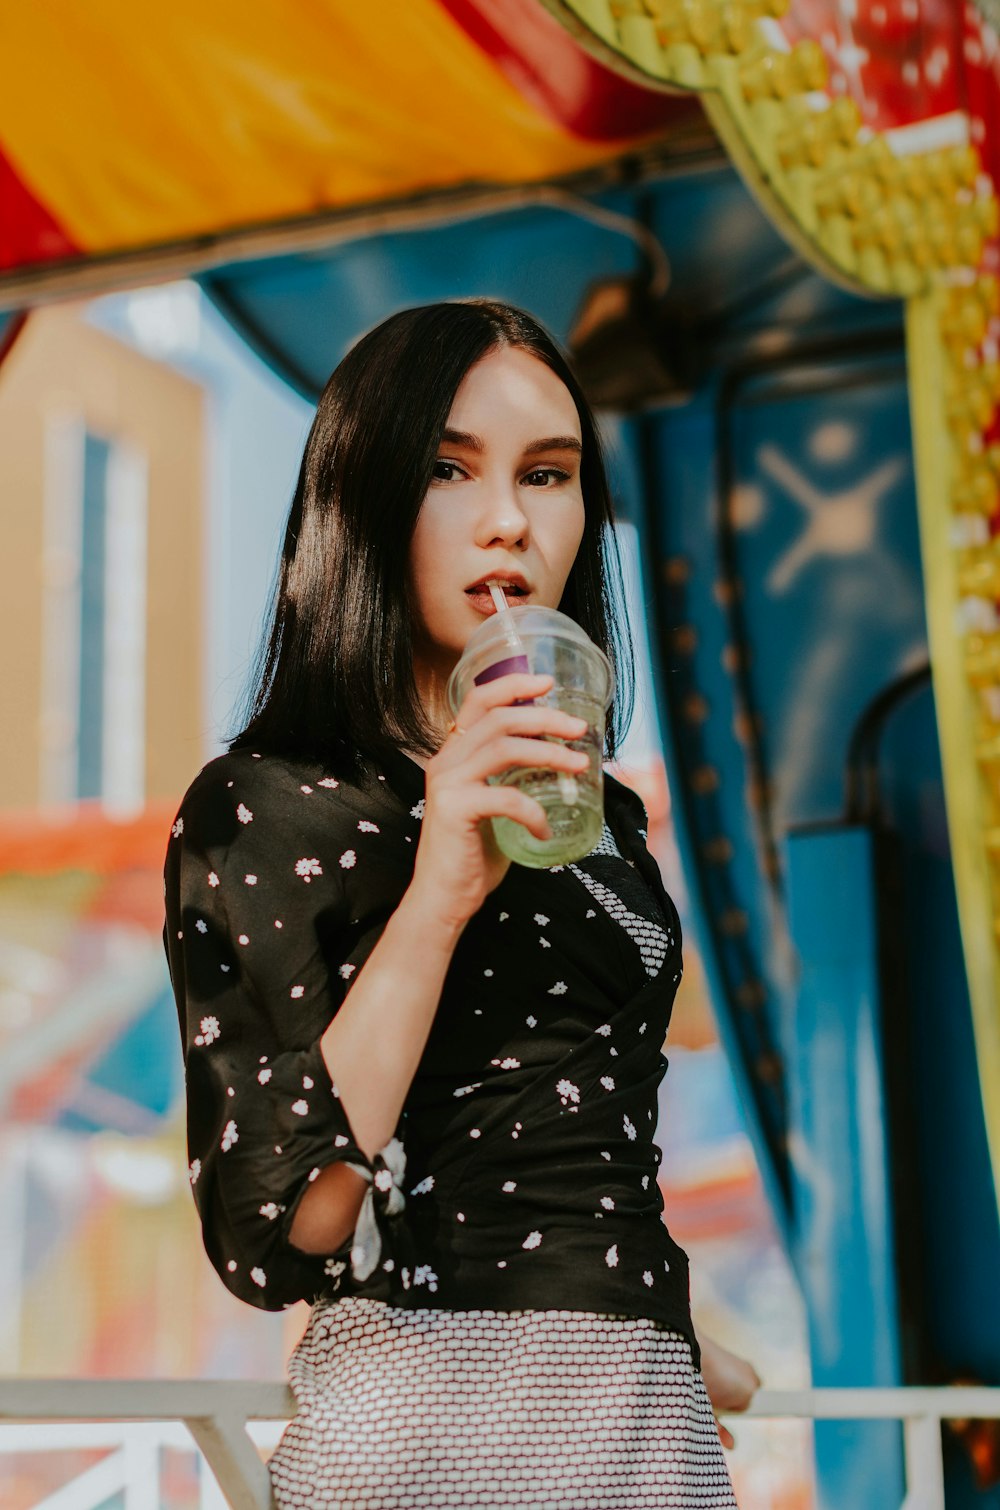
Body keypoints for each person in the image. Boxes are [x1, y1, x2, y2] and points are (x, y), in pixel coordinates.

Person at [163, 298, 759, 1508]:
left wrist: (662, 1332)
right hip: (427, 1436)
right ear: (361, 498)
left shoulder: (607, 827)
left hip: (645, 1438)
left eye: (548, 474)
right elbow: (283, 1228)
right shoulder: (273, 806)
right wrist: (438, 889)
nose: (507, 520)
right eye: (447, 467)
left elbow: (579, 1138)